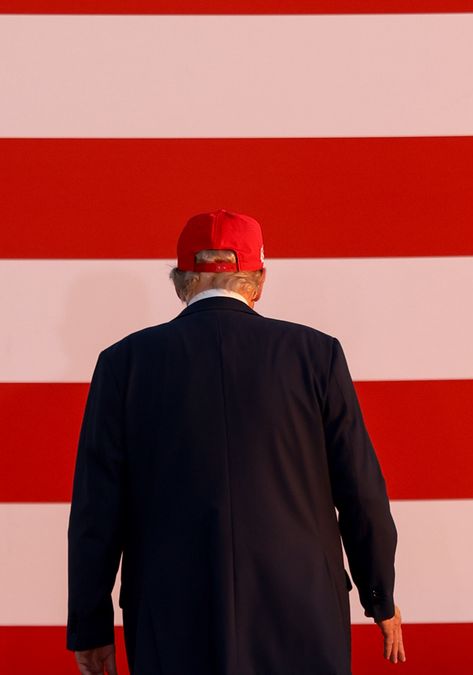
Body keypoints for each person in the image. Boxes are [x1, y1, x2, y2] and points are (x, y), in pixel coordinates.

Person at [66, 209, 404, 675]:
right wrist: (378, 595)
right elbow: (362, 491)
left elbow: (95, 513)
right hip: (300, 605)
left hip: (171, 611)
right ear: (259, 280)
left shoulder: (123, 364)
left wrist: (90, 626)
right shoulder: (316, 355)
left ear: (182, 279)